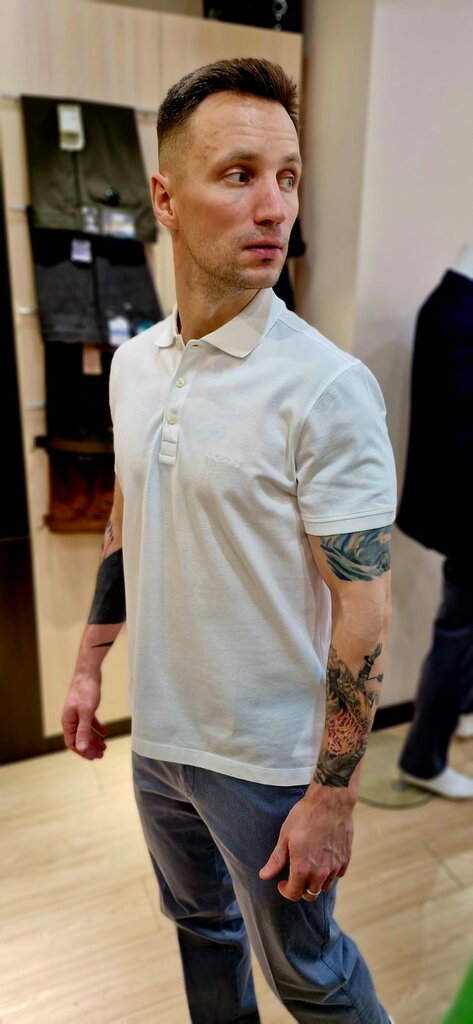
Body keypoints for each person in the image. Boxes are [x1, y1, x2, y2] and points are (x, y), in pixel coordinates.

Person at [61, 59, 397, 1023]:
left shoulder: (326, 388)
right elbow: (130, 513)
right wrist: (89, 664)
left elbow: (365, 609)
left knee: (310, 977)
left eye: (286, 177)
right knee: (201, 934)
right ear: (165, 198)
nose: (273, 206)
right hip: (158, 735)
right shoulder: (134, 364)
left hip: (268, 762)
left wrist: (331, 798)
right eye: (239, 175)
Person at [397, 245, 473, 799]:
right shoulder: (461, 312)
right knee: (460, 628)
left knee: (463, 625)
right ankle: (423, 758)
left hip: (453, 501)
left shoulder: (446, 302)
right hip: (465, 508)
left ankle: (462, 711)